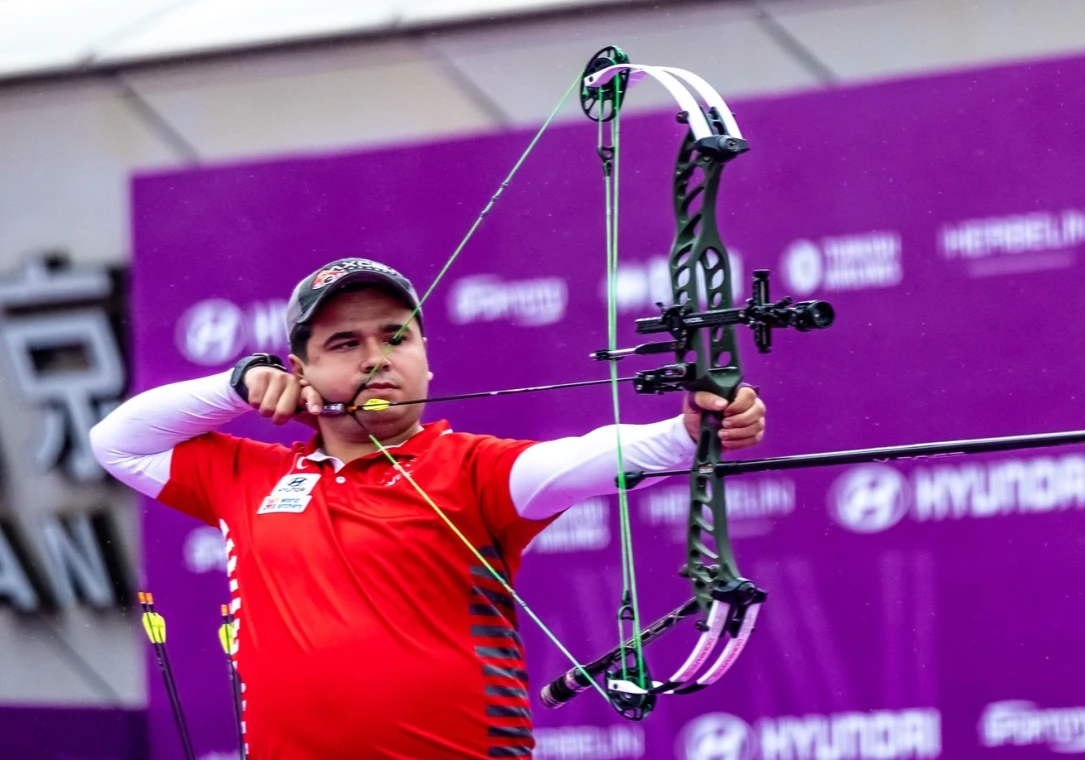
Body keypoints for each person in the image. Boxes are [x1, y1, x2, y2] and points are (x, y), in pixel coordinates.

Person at [90, 257, 766, 760]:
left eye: (396, 337)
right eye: (343, 344)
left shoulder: (474, 469)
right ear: (299, 373)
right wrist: (236, 385)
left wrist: (690, 432)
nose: (376, 360)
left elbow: (590, 456)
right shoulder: (246, 474)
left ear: (426, 357)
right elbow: (116, 441)